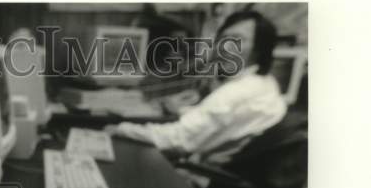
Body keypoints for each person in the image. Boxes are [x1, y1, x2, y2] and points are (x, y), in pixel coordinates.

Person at [108, 10, 287, 160]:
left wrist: (121, 129)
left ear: (259, 49)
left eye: (237, 39)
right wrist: (183, 110)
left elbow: (179, 140)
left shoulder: (235, 92)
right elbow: (214, 124)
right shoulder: (265, 83)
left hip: (201, 177)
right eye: (223, 38)